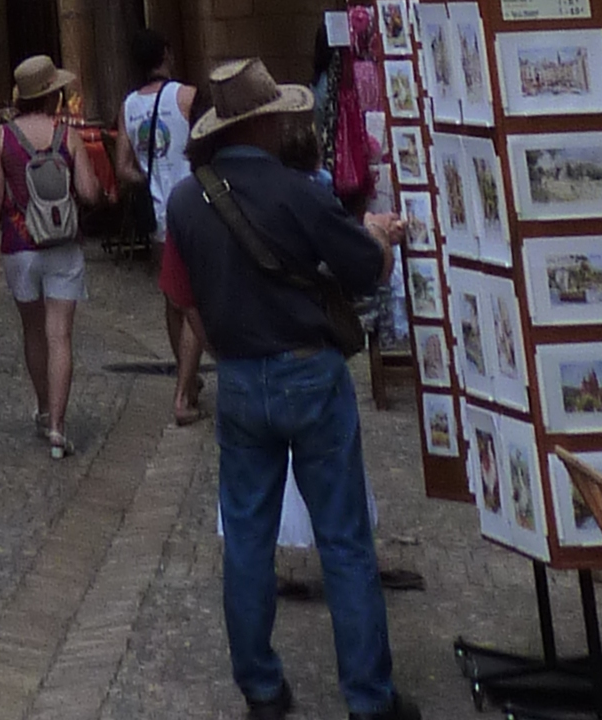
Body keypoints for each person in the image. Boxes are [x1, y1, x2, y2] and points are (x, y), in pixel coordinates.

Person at [165, 57, 418, 720]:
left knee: (247, 541)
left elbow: (186, 295)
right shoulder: (299, 190)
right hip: (310, 370)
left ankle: (262, 689)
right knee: (343, 539)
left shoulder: (187, 199)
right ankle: (369, 698)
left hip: (242, 378)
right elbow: (364, 271)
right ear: (268, 124)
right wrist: (376, 238)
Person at [0, 52, 107, 455]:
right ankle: (58, 426)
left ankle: (42, 408)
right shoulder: (67, 135)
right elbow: (90, 192)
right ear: (52, 95)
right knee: (61, 336)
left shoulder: (2, 138)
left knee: (34, 332)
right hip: (63, 244)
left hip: (19, 245)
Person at [121, 23, 206, 424]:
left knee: (173, 300)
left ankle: (186, 376)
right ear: (167, 55)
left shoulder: (127, 107)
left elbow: (123, 168)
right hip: (193, 208)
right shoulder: (187, 97)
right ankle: (183, 393)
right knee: (197, 304)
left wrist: (151, 176)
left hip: (158, 214)